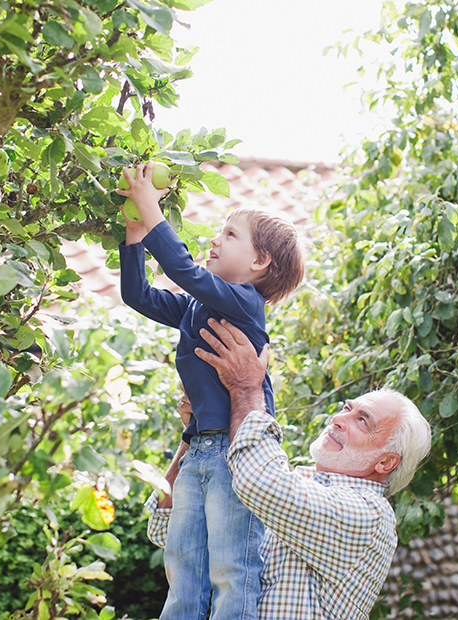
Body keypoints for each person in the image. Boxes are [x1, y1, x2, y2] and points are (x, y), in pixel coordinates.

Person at [116, 162, 305, 620]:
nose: (215, 240)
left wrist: (150, 206)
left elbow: (184, 270)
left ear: (260, 263)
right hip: (199, 450)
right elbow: (138, 296)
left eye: (230, 235)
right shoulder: (199, 307)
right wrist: (134, 236)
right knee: (183, 574)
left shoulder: (245, 303)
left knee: (231, 571)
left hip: (234, 454)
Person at [147, 318, 432, 620]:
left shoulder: (371, 516)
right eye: (347, 408)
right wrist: (197, 433)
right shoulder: (293, 484)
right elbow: (167, 530)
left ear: (385, 462)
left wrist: (246, 387)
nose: (338, 418)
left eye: (363, 420)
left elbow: (261, 481)